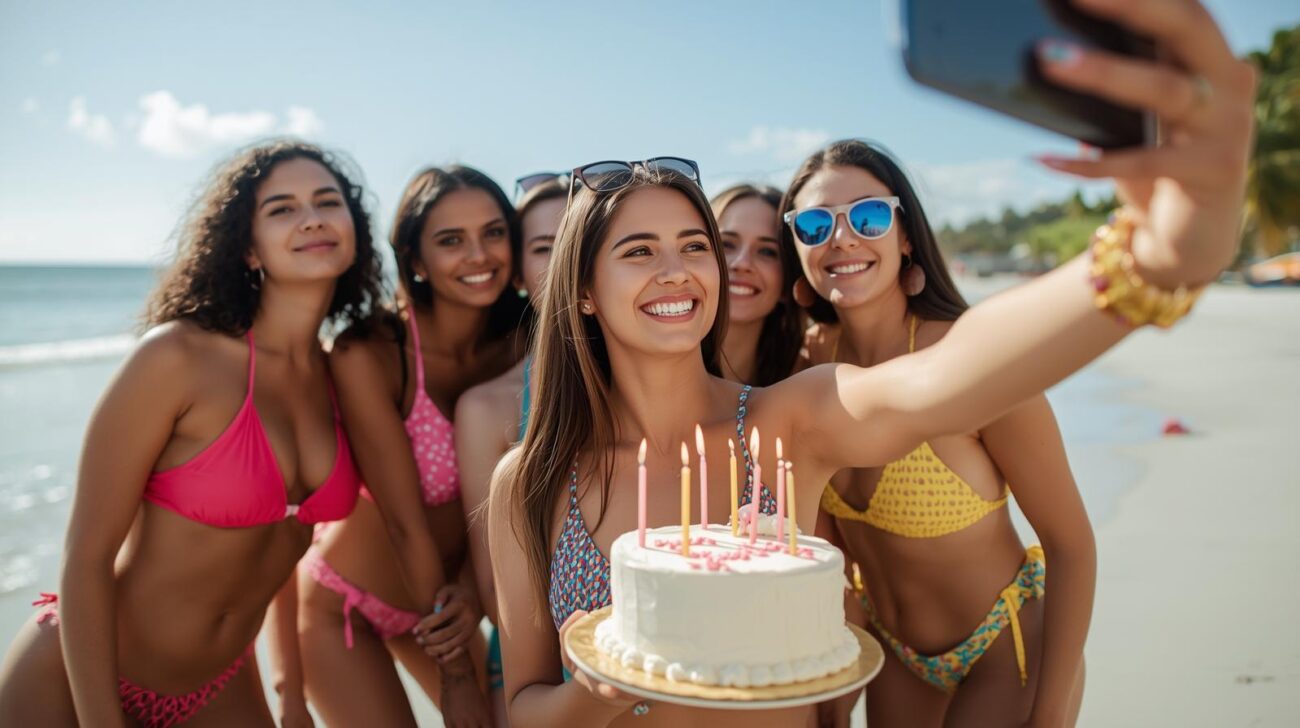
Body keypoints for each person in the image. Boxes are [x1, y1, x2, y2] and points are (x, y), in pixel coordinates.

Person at [486, 5, 1257, 722]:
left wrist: (1151, 261)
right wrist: (607, 678)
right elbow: (522, 705)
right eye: (638, 252)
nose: (677, 271)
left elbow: (949, 380)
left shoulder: (787, 423)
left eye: (695, 247)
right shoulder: (531, 476)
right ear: (582, 292)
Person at [0, 140, 385, 727]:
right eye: (281, 208)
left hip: (220, 687)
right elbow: (85, 558)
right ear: (248, 249)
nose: (311, 217)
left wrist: (289, 690)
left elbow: (281, 544)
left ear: (353, 229)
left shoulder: (340, 377)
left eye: (326, 201)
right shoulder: (177, 359)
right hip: (79, 677)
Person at [788, 139, 1093, 726]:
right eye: (815, 223)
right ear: (797, 246)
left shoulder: (972, 363)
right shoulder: (805, 368)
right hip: (896, 655)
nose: (842, 238)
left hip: (1008, 651)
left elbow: (1072, 544)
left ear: (906, 237)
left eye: (870, 216)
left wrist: (1050, 716)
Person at [270, 166, 525, 727]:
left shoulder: (525, 345)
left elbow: (505, 507)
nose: (479, 255)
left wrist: (470, 594)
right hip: (346, 607)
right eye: (450, 241)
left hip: (445, 609)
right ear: (414, 259)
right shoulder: (371, 353)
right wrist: (458, 675)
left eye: (493, 232)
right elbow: (404, 521)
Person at [455, 174, 568, 726]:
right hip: (540, 678)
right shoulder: (486, 408)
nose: (567, 257)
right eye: (546, 248)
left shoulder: (679, 387)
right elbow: (495, 592)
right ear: (518, 274)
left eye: (579, 236)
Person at [710, 184, 805, 386]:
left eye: (767, 252)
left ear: (788, 284)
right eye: (726, 244)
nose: (742, 264)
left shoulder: (807, 383)